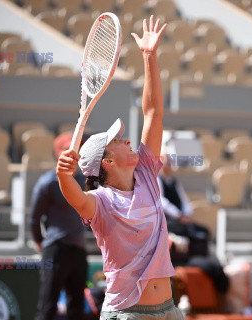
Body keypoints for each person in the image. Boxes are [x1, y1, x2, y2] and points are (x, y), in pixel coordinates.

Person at [56, 16, 184, 320]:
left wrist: (149, 57)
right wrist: (63, 174)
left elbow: (153, 113)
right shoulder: (100, 202)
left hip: (169, 311)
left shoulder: (147, 176)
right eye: (118, 140)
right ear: (107, 162)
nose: (127, 140)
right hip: (127, 314)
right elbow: (75, 196)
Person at [30, 132, 89, 320]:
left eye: (76, 150)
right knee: (48, 306)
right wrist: (42, 244)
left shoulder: (85, 181)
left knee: (77, 308)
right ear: (58, 153)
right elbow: (34, 219)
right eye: (67, 150)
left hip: (79, 250)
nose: (73, 154)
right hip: (55, 250)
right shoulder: (47, 183)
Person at [158, 154, 209, 260]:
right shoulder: (158, 180)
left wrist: (186, 215)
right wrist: (178, 216)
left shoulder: (175, 182)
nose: (168, 166)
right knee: (182, 230)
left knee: (204, 231)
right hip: (168, 220)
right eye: (166, 163)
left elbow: (185, 201)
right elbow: (162, 202)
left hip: (181, 219)